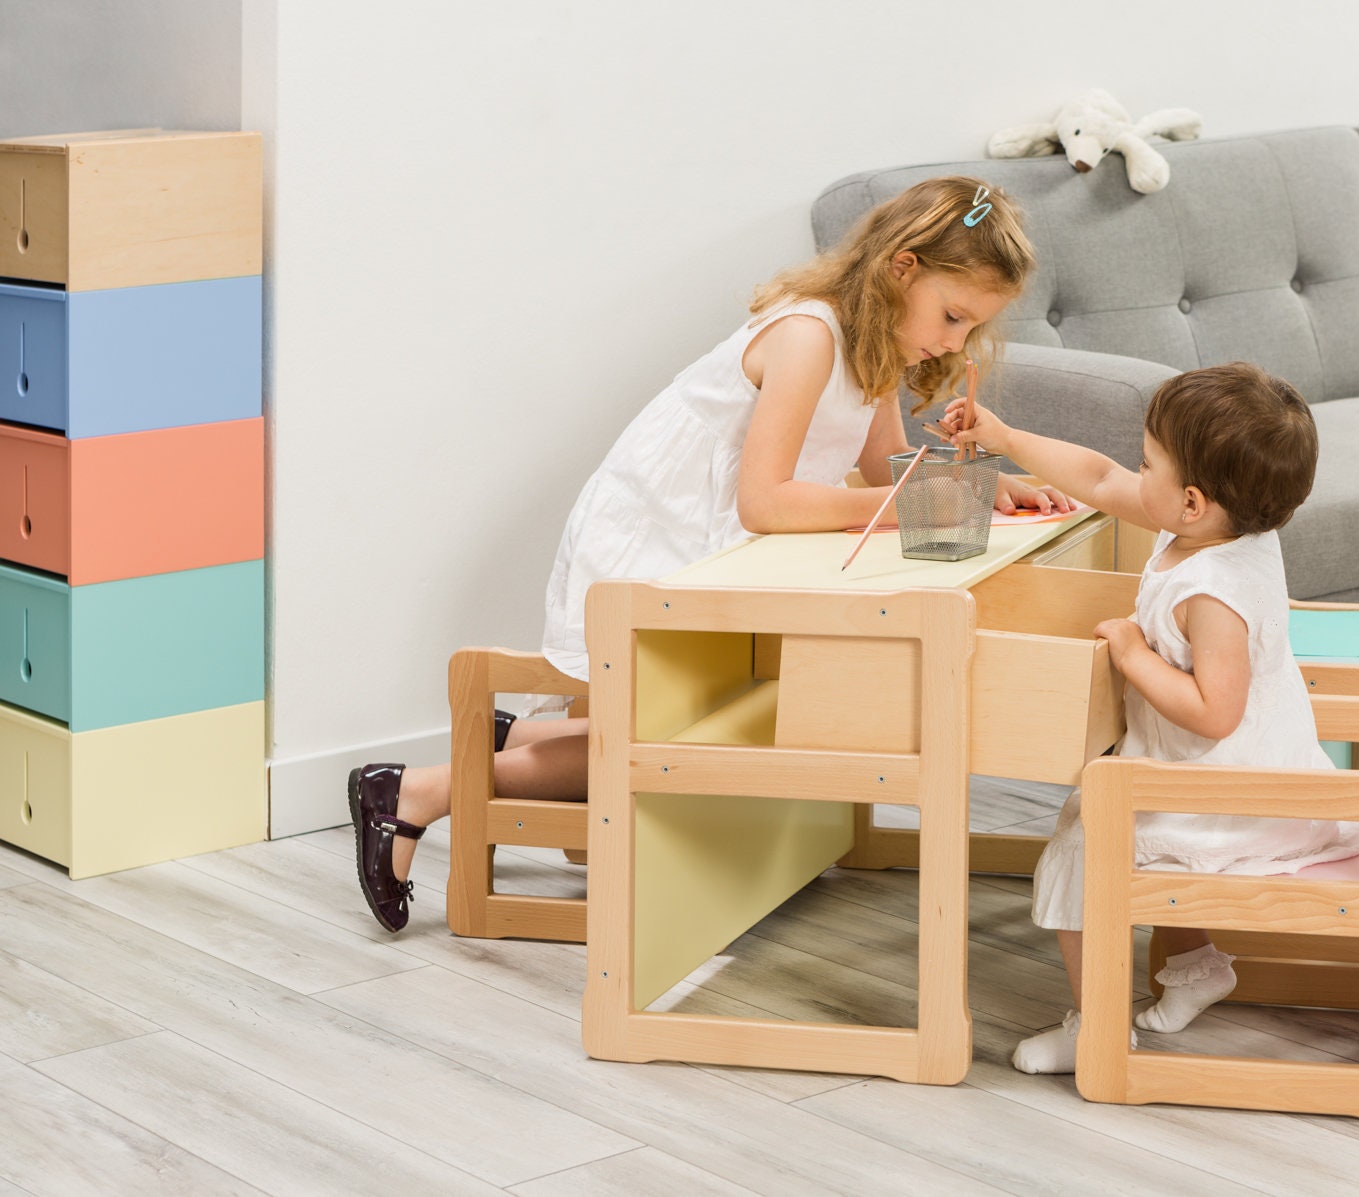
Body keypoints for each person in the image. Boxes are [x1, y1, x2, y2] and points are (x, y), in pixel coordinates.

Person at [349, 176, 1070, 933]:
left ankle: (522, 742)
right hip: (657, 540)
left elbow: (885, 469)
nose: (954, 342)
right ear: (901, 266)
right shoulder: (809, 334)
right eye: (952, 315)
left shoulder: (874, 345)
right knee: (711, 733)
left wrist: (980, 488)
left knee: (741, 716)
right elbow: (766, 500)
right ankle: (414, 792)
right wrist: (931, 503)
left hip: (719, 547)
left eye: (970, 327)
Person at [940, 360, 1359, 1074]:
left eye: (1149, 462)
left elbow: (1214, 711)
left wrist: (1132, 651)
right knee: (1133, 816)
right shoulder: (1214, 530)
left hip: (1232, 797)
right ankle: (1198, 965)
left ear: (1193, 501)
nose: (1132, 473)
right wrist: (1003, 435)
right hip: (1225, 776)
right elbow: (1097, 478)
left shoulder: (1211, 590)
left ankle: (1096, 1028)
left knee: (1081, 851)